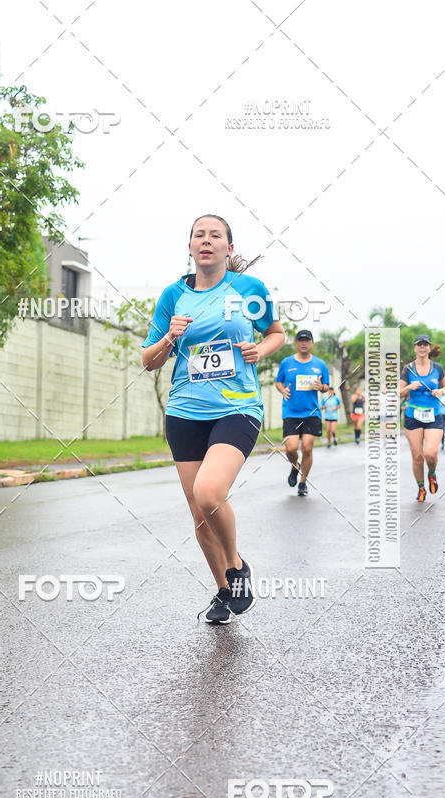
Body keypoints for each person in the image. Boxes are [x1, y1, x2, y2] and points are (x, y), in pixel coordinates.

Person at [141, 214, 285, 624]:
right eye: (199, 235)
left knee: (208, 492)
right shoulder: (173, 295)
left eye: (215, 235)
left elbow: (276, 333)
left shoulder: (248, 288)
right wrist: (170, 336)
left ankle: (236, 567)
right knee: (200, 514)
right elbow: (149, 360)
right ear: (190, 247)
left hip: (237, 407)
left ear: (228, 247)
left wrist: (261, 350)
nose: (207, 240)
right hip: (184, 412)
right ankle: (224, 590)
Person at [275, 331, 330, 496]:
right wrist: (282, 390)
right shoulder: (286, 362)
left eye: (307, 340)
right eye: (301, 340)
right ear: (296, 343)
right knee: (291, 448)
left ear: (312, 343)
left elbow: (326, 386)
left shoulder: (320, 364)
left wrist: (321, 387)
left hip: (311, 412)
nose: (304, 343)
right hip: (291, 412)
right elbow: (278, 381)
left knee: (307, 448)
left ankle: (303, 482)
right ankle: (295, 466)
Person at [399, 334, 445, 502]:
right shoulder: (408, 369)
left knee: (430, 453)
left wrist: (441, 391)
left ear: (429, 348)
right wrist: (409, 387)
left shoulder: (438, 368)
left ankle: (432, 474)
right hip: (412, 416)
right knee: (417, 457)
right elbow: (398, 393)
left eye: (425, 344)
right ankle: (421, 488)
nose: (422, 347)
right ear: (415, 348)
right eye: (419, 344)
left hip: (433, 415)